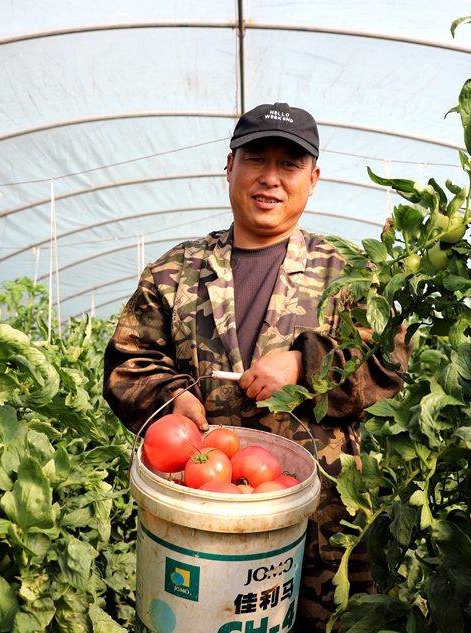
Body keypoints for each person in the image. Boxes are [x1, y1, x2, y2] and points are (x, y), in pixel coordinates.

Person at [103, 102, 411, 629]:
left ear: (313, 179)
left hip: (324, 530)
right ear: (230, 167)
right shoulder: (176, 272)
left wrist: (304, 365)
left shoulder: (351, 275)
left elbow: (388, 365)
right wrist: (173, 399)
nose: (270, 178)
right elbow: (128, 363)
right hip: (204, 522)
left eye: (289, 164)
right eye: (256, 159)